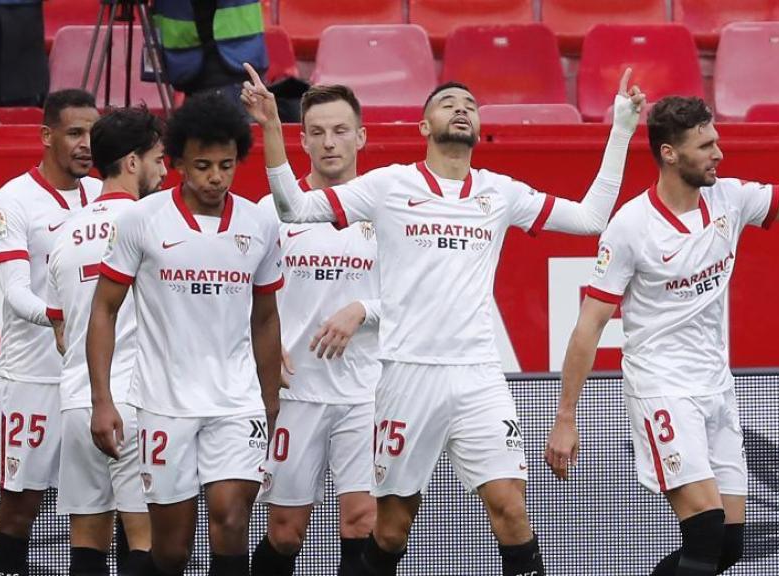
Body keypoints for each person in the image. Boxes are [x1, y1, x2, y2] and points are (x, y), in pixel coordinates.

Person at [243, 61, 645, 576]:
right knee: (389, 530)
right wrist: (271, 129)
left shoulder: (500, 193)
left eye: (470, 105)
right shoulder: (388, 186)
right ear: (423, 126)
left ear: (477, 126)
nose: (461, 109)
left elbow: (591, 219)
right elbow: (294, 209)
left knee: (512, 509)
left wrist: (621, 129)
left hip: (478, 376)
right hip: (406, 376)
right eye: (447, 103)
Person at [544, 94, 779, 575]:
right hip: (662, 389)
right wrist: (566, 416)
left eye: (716, 141)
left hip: (716, 387)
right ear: (670, 153)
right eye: (705, 145)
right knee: (706, 530)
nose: (719, 153)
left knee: (729, 544)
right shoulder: (630, 227)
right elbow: (589, 326)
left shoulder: (729, 199)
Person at [86, 92, 284, 576]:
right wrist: (102, 400)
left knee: (231, 518)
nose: (215, 177)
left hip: (236, 403)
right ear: (176, 163)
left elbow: (265, 317)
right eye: (202, 166)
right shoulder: (142, 220)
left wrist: (269, 396)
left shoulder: (260, 223)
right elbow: (104, 310)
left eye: (226, 165)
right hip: (164, 403)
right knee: (172, 551)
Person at [250, 84, 380, 576]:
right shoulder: (271, 212)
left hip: (365, 391)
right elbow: (238, 291)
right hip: (294, 392)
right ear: (301, 140)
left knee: (362, 520)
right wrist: (260, 346)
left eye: (341, 131)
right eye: (318, 132)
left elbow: (417, 300)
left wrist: (363, 310)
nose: (329, 142)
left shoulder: (385, 209)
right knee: (286, 532)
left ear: (361, 137)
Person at [44, 106, 166, 576]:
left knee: (87, 548)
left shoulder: (65, 231)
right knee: (148, 544)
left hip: (78, 403)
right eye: (158, 159)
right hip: (136, 402)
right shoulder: (152, 223)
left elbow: (61, 329)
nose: (164, 171)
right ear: (132, 162)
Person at [0, 88, 102, 576]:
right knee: (21, 505)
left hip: (96, 377)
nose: (86, 144)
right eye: (75, 133)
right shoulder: (12, 201)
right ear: (46, 135)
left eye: (94, 133)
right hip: (34, 378)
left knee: (102, 504)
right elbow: (15, 291)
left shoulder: (105, 196)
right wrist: (58, 318)